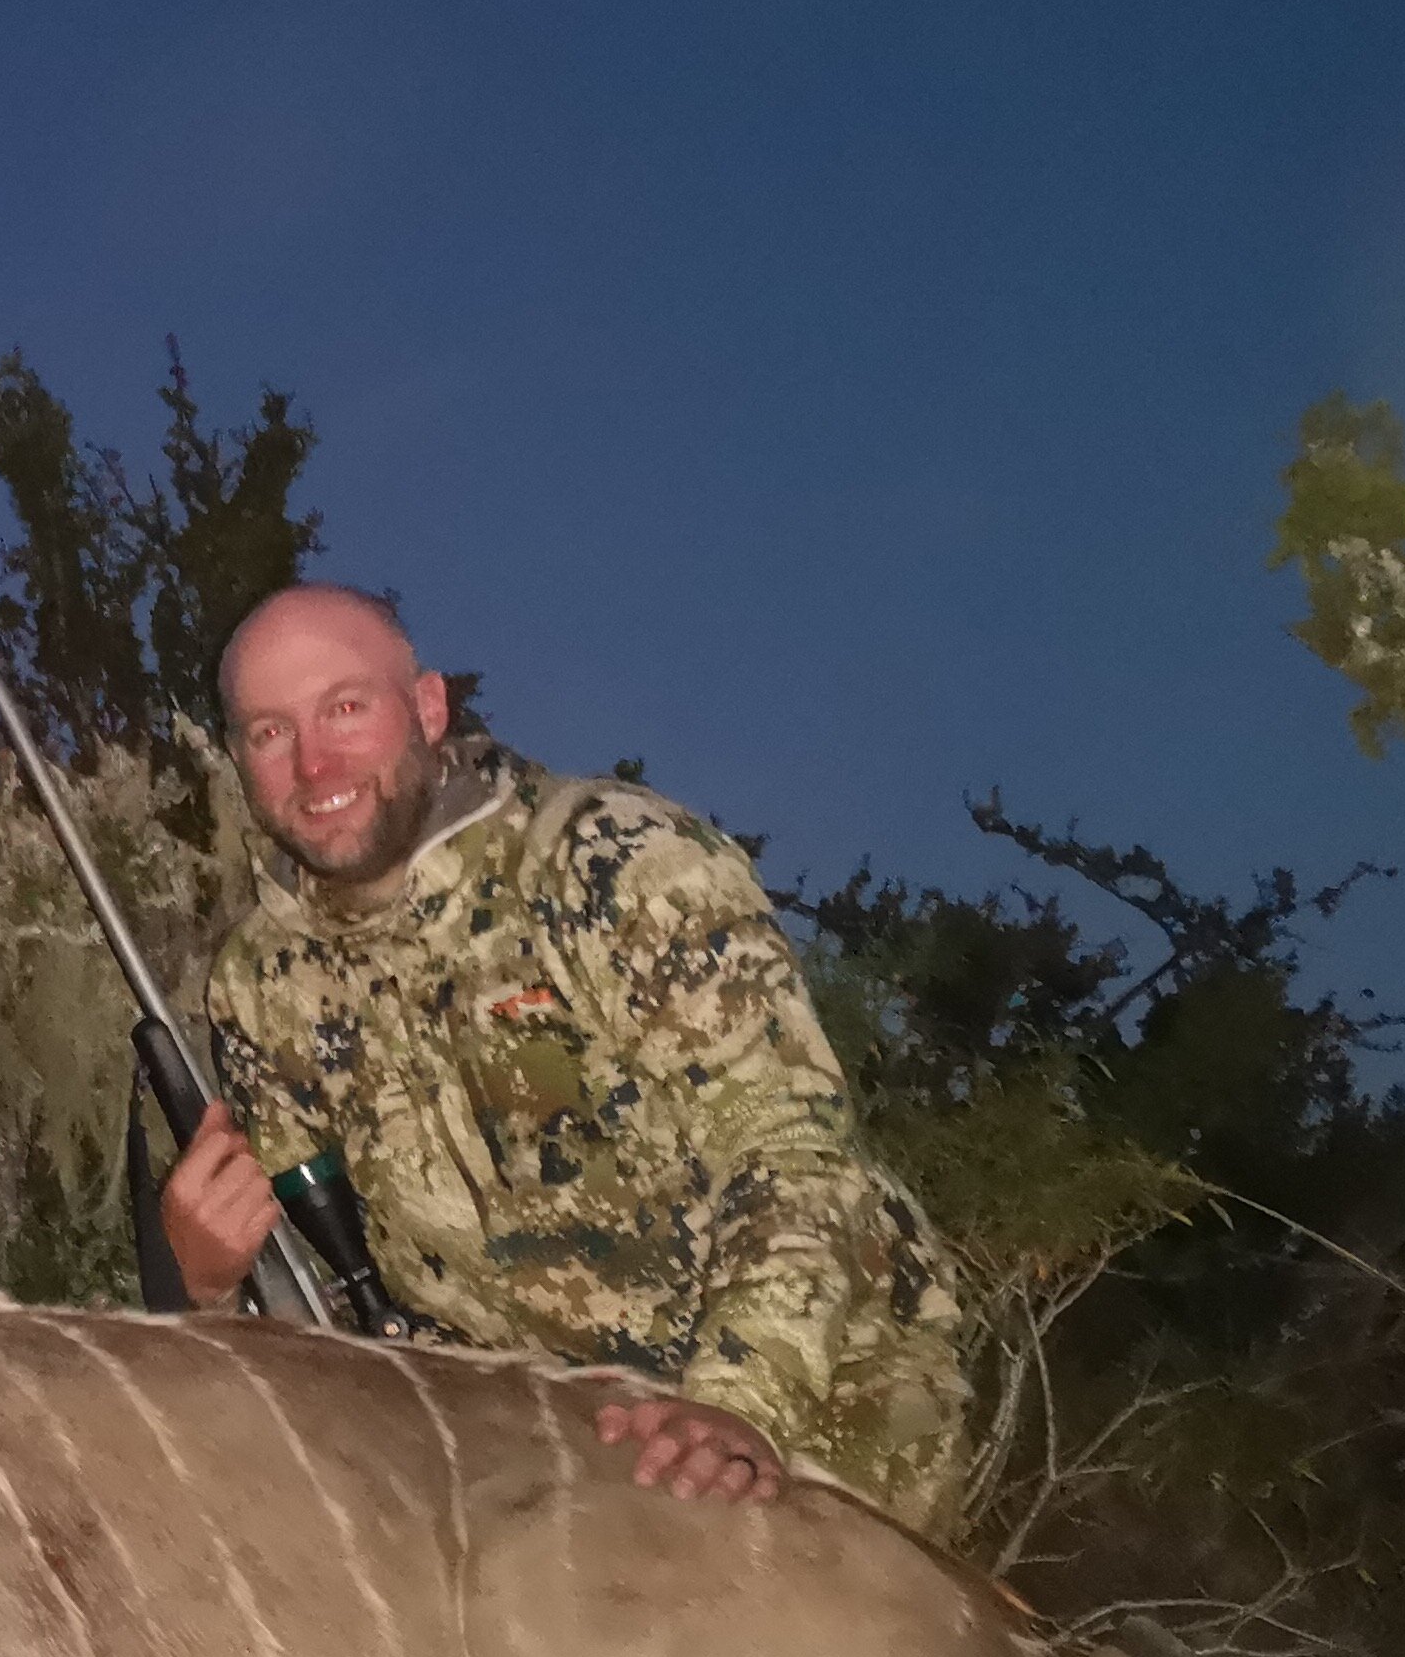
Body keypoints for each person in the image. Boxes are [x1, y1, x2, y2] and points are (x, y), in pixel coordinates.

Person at [161, 583, 971, 1532]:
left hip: (817, 1379)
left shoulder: (615, 860)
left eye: (345, 708)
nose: (312, 762)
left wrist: (741, 1402)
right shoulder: (259, 982)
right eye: (269, 732)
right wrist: (203, 1284)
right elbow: (312, 1296)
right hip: (528, 1428)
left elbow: (790, 1147)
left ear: (427, 709)